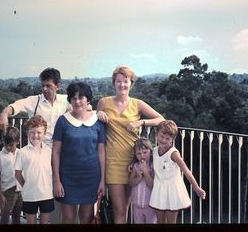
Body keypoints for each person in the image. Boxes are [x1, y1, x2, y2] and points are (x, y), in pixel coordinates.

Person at [97, 65, 165, 224]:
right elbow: (94, 123)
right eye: (119, 81)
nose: (122, 85)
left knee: (128, 207)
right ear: (114, 83)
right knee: (119, 209)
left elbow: (160, 119)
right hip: (113, 162)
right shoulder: (104, 102)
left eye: (126, 81)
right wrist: (97, 113)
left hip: (134, 162)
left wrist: (140, 122)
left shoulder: (137, 104)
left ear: (131, 83)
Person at [52, 82, 106, 224]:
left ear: (88, 99)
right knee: (68, 219)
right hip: (67, 177)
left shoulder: (98, 121)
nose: (77, 101)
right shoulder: (63, 121)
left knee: (86, 218)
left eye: (81, 97)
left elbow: (101, 152)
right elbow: (56, 152)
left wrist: (102, 180)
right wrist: (57, 181)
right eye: (73, 98)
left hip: (91, 177)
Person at [0, 67, 70, 149]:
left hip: (59, 151)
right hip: (37, 152)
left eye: (48, 86)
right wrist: (4, 114)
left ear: (58, 86)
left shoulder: (66, 100)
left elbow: (85, 105)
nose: (44, 89)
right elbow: (15, 106)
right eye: (43, 85)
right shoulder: (34, 101)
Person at [149, 120, 206, 224]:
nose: (163, 140)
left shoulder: (173, 153)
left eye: (167, 138)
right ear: (156, 134)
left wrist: (196, 187)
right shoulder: (154, 151)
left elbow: (186, 170)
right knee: (160, 221)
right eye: (162, 136)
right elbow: (144, 161)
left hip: (172, 191)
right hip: (159, 189)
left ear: (172, 139)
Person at [15, 115, 54, 224]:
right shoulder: (22, 152)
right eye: (32, 132)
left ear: (44, 133)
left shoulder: (49, 151)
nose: (35, 135)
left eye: (39, 132)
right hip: (30, 196)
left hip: (47, 194)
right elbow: (17, 173)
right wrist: (26, 185)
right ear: (27, 133)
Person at [0, 126, 23, 224]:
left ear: (17, 141)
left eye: (11, 145)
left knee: (17, 217)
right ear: (3, 141)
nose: (8, 147)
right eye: (5, 144)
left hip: (20, 190)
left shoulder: (21, 153)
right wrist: (0, 194)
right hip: (7, 191)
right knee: (5, 217)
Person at [128, 137, 156, 224]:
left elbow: (151, 185)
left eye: (145, 152)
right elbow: (131, 182)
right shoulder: (135, 166)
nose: (142, 155)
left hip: (150, 205)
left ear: (150, 151)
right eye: (139, 153)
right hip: (137, 205)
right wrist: (138, 177)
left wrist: (145, 171)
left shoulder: (153, 166)